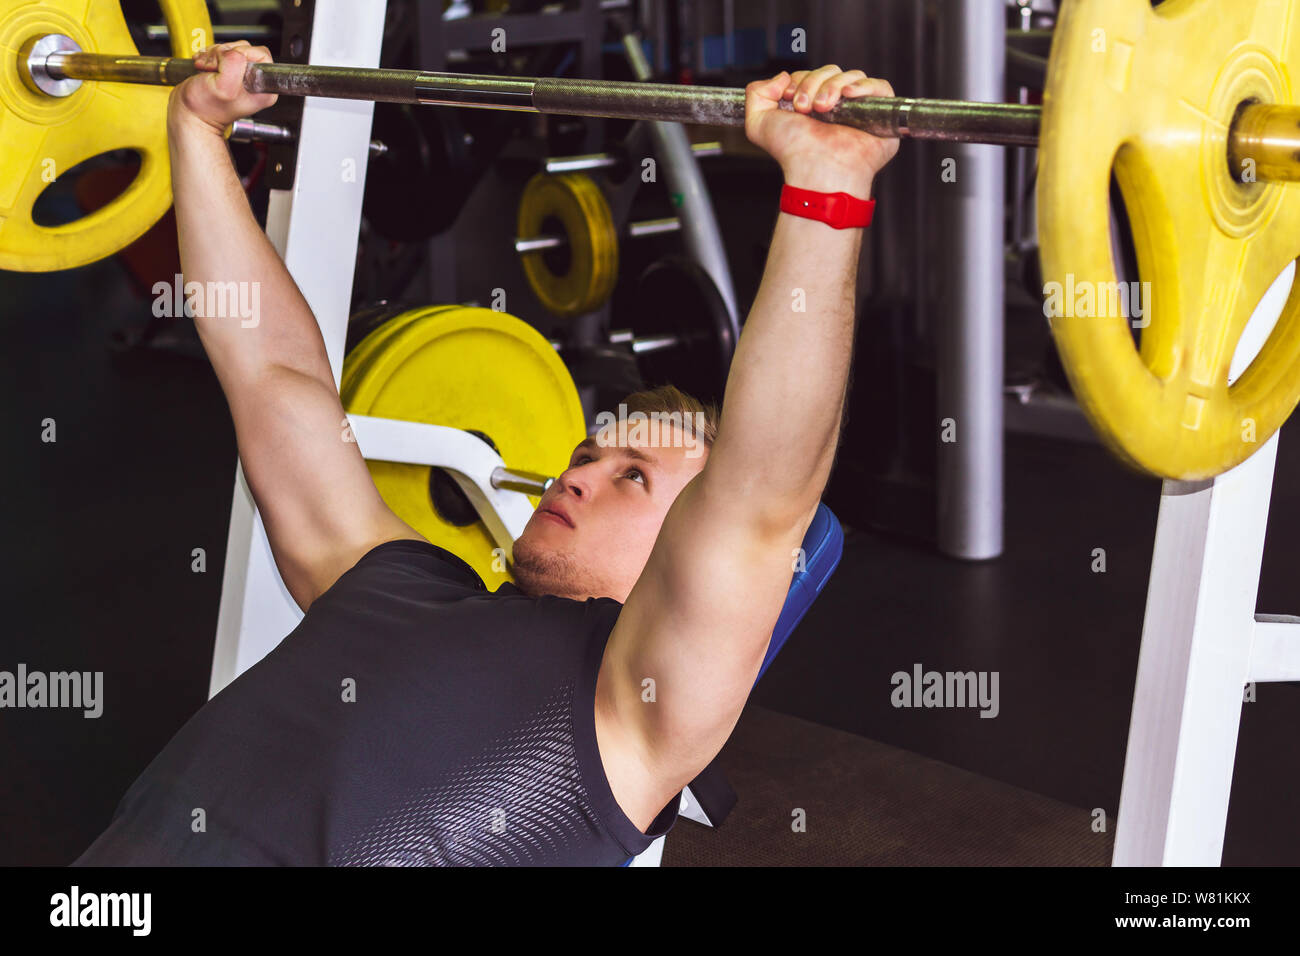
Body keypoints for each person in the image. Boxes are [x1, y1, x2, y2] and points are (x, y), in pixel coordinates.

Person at [72, 42, 898, 866]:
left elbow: (762, 499)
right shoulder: (388, 573)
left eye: (634, 477)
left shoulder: (634, 713)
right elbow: (275, 375)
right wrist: (194, 130)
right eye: (589, 452)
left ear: (695, 554)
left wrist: (828, 187)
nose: (578, 472)